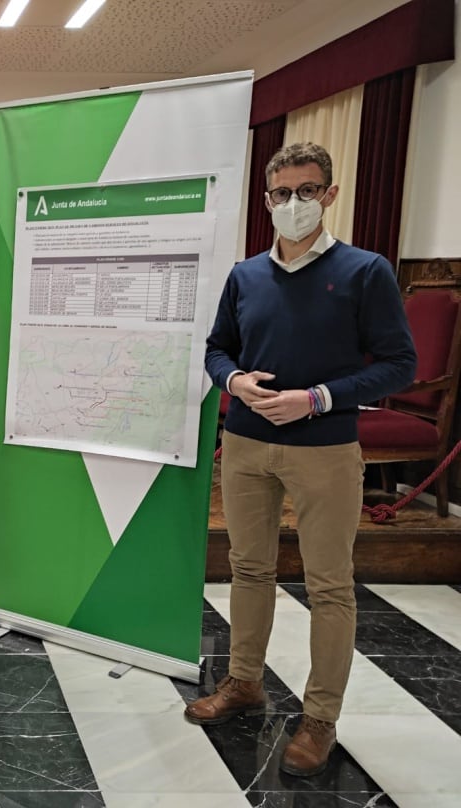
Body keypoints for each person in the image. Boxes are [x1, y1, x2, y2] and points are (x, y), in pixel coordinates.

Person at [188, 143, 417, 776]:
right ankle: (244, 682)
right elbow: (216, 350)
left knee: (329, 585)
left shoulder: (366, 270)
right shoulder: (245, 275)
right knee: (249, 569)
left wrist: (317, 398)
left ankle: (319, 719)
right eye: (282, 193)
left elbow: (401, 365)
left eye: (307, 191)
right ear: (266, 201)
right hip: (246, 445)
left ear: (330, 195)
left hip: (325, 449)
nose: (294, 204)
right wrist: (234, 384)